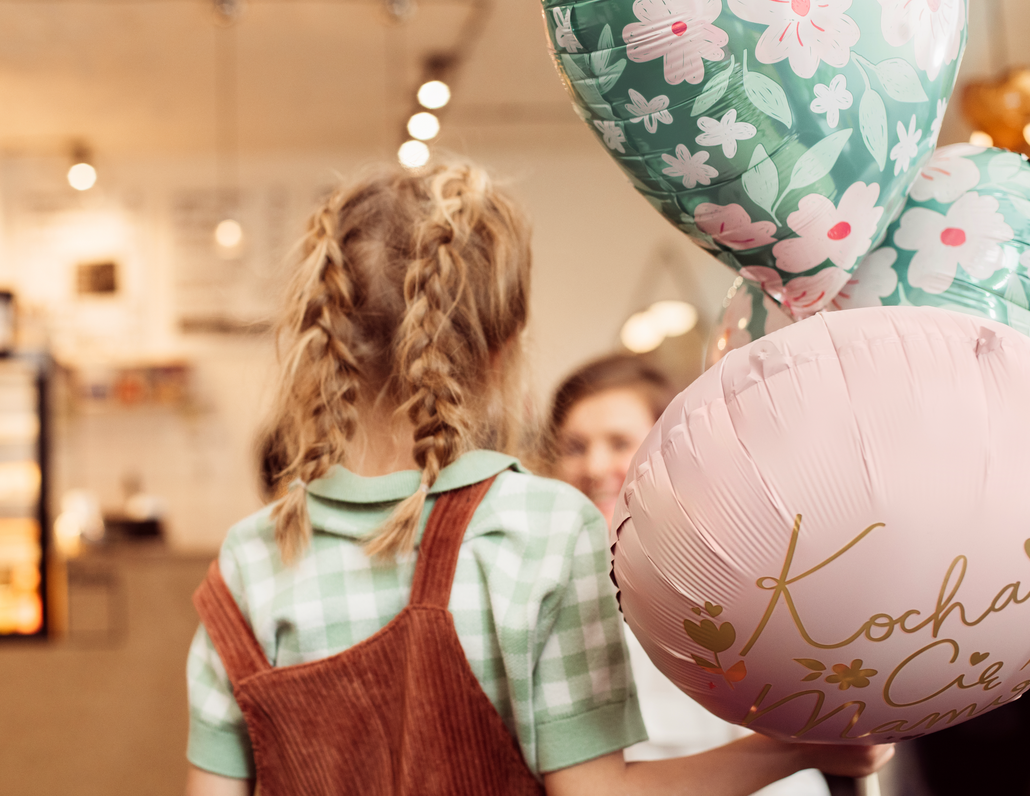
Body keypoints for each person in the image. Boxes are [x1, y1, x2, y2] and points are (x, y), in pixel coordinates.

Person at [184, 161, 892, 796]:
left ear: (327, 344)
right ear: (500, 352)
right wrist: (792, 749)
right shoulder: (541, 529)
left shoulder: (248, 559)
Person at [544, 353, 831, 796]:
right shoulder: (546, 586)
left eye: (619, 443)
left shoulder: (738, 565)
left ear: (667, 451)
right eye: (575, 448)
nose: (595, 467)